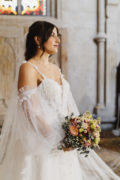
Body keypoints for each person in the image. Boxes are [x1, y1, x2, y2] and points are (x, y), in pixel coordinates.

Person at [0, 21, 120, 180]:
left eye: (58, 36)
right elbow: (31, 111)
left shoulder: (55, 68)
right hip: (42, 141)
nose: (58, 40)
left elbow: (66, 105)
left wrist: (79, 132)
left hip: (65, 138)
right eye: (52, 35)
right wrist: (57, 139)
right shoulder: (28, 68)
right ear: (37, 39)